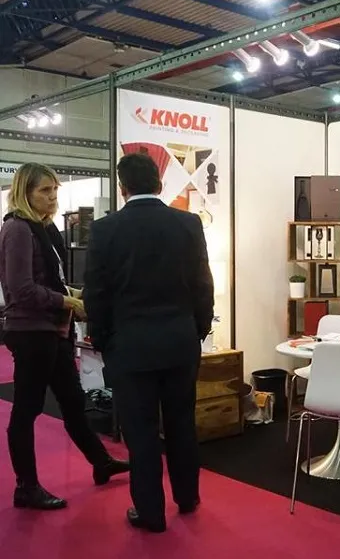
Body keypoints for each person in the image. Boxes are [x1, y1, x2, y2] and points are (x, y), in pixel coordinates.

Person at [84, 154, 214, 532]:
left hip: (129, 346)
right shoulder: (188, 223)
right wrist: (198, 329)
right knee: (181, 424)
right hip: (180, 341)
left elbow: (96, 294)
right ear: (159, 183)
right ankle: (187, 497)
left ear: (122, 187)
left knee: (140, 433)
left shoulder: (105, 229)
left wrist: (103, 340)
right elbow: (203, 285)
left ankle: (150, 513)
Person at [0, 162, 129, 510]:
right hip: (31, 333)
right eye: (45, 190)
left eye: (55, 189)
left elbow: (48, 282)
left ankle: (101, 462)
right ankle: (26, 487)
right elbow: (21, 289)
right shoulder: (18, 229)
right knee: (27, 410)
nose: (52, 197)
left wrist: (73, 294)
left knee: (72, 402)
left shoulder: (44, 230)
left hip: (53, 331)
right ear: (25, 192)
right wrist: (68, 301)